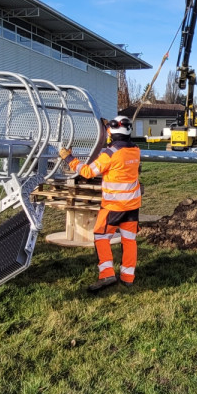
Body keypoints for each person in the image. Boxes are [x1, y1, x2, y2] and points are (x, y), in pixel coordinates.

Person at [60, 115, 142, 292]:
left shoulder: (109, 154)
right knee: (129, 240)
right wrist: (108, 127)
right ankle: (128, 277)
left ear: (112, 133)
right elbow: (121, 144)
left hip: (113, 206)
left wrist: (69, 159)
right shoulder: (136, 150)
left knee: (101, 237)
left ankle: (107, 275)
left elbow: (88, 172)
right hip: (132, 206)